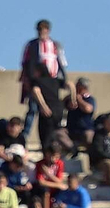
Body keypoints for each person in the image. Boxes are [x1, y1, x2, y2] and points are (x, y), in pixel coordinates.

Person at [20, 20, 67, 149]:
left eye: (44, 29)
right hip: (36, 82)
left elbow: (61, 63)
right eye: (40, 29)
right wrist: (28, 81)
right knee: (33, 109)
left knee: (51, 114)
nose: (42, 32)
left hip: (51, 85)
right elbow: (26, 62)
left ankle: (51, 140)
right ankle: (24, 136)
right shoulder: (32, 45)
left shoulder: (55, 45)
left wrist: (63, 80)